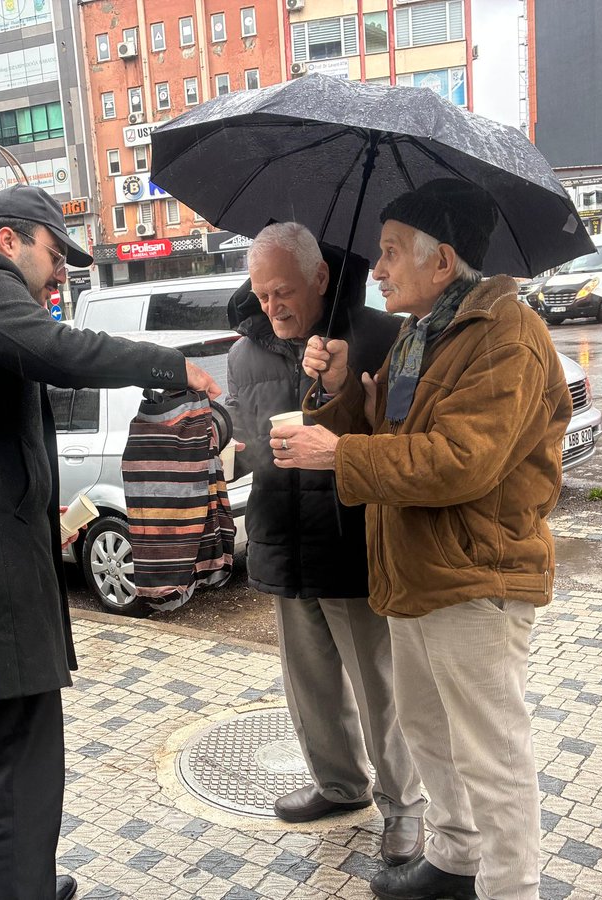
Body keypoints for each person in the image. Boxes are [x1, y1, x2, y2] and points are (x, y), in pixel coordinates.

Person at [0, 184, 220, 900]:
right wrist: (165, 364)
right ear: (10, 241)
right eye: (55, 252)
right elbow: (57, 352)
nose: (62, 270)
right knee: (23, 758)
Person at [273, 179, 571, 900]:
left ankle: (509, 889)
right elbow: (397, 435)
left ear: (442, 262)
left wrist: (338, 456)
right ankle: (454, 860)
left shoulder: (504, 334)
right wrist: (344, 391)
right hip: (414, 573)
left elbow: (460, 461)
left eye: (390, 252)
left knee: (491, 755)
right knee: (429, 732)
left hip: (477, 578)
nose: (376, 269)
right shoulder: (424, 330)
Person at [225, 222, 425, 866]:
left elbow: (403, 434)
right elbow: (252, 443)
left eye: (283, 291)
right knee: (308, 683)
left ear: (318, 279)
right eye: (261, 295)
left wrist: (339, 391)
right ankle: (339, 785)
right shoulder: (244, 353)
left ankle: (405, 807)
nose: (272, 307)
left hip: (353, 538)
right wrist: (226, 445)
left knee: (379, 687)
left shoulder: (378, 334)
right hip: (282, 534)